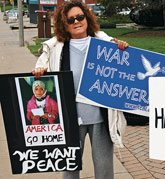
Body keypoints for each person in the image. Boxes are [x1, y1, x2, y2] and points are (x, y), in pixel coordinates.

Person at [32, 1, 129, 178]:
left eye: (80, 17)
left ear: (87, 18)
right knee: (69, 169)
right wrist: (39, 71)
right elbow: (42, 69)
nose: (77, 22)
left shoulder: (106, 44)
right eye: (71, 20)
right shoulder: (55, 49)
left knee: (104, 169)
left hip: (100, 118)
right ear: (64, 24)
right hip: (70, 119)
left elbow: (124, 72)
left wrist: (121, 50)